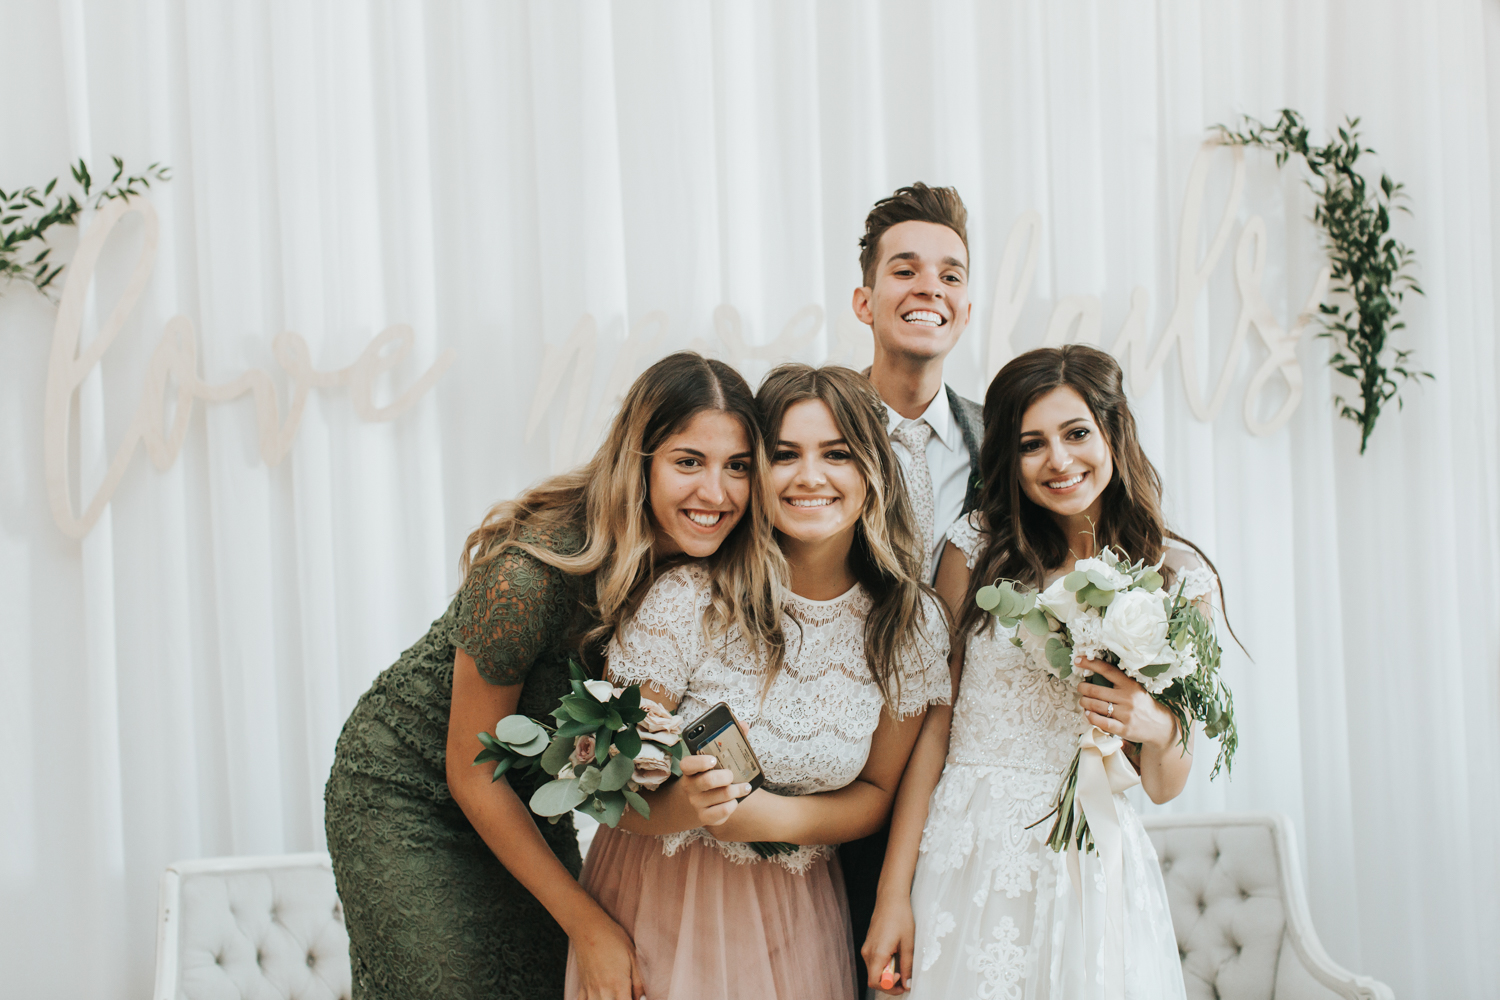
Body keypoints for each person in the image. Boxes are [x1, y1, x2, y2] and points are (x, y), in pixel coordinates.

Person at [324, 351, 779, 1000]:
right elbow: (470, 769)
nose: (717, 492)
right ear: (640, 461)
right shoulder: (529, 573)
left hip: (529, 795)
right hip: (410, 793)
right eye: (688, 462)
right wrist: (587, 923)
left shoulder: (712, 571)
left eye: (737, 466)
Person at [566, 364, 951, 1000]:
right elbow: (608, 788)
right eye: (784, 455)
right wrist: (690, 806)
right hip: (660, 905)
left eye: (836, 454)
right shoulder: (686, 599)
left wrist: (773, 818)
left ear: (874, 470)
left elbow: (879, 792)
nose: (809, 476)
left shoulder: (908, 625)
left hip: (798, 920)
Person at [864, 344, 1218, 998]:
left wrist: (1157, 726)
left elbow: (1165, 786)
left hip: (1087, 860)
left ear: (1112, 432)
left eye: (1076, 433)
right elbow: (933, 729)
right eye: (1032, 444)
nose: (1058, 459)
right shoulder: (977, 549)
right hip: (966, 847)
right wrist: (893, 896)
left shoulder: (1175, 576)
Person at [844, 181, 987, 992]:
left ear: (965, 308)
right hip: (827, 771)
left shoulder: (1006, 442)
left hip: (958, 783)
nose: (929, 286)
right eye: (905, 269)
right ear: (865, 301)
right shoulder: (803, 431)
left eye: (951, 274)